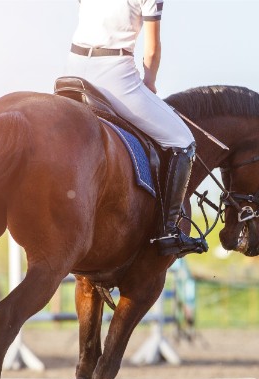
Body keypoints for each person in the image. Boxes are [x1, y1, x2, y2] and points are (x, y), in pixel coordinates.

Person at [65, 0, 207, 257]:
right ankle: (168, 231)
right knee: (183, 141)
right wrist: (149, 83)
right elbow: (152, 50)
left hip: (72, 67)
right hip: (113, 73)